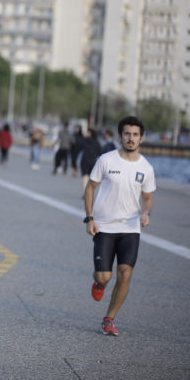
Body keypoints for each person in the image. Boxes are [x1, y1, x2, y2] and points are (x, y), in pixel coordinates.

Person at [84, 116, 155, 336]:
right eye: (127, 134)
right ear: (120, 136)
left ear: (141, 138)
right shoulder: (106, 160)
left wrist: (145, 213)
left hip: (130, 229)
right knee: (104, 276)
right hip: (104, 227)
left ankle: (109, 319)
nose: (131, 138)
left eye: (135, 135)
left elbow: (147, 198)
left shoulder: (146, 168)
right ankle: (100, 283)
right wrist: (89, 218)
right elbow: (90, 187)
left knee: (125, 274)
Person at [79, 128, 102, 192]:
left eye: (87, 132)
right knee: (91, 178)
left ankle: (85, 192)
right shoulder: (96, 142)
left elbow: (77, 150)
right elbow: (100, 153)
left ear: (90, 133)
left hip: (84, 160)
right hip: (93, 161)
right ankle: (89, 192)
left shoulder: (84, 140)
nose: (86, 134)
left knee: (85, 176)